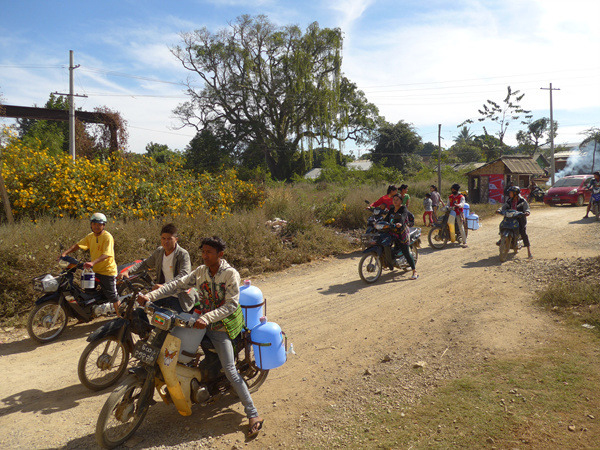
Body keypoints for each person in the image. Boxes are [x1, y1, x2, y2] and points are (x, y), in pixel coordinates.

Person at [137, 236, 264, 438]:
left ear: (220, 254)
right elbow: (177, 284)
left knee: (231, 370)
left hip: (222, 326)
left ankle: (252, 413)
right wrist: (150, 296)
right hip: (201, 321)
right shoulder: (201, 271)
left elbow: (231, 305)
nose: (204, 256)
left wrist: (208, 317)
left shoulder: (230, 274)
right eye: (203, 252)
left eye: (209, 252)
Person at [120, 223, 197, 313]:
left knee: (174, 322)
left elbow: (184, 275)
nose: (166, 241)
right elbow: (145, 264)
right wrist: (128, 271)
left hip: (178, 296)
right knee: (141, 310)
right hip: (161, 293)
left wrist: (164, 286)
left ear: (176, 239)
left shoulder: (182, 254)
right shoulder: (159, 252)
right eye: (163, 238)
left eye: (169, 239)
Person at [61, 212, 119, 314]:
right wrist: (65, 253)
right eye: (94, 224)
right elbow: (78, 245)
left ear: (103, 225)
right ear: (91, 225)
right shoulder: (90, 236)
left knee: (113, 296)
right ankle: (89, 315)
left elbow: (106, 254)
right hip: (94, 271)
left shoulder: (107, 237)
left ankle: (121, 318)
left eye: (99, 224)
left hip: (107, 271)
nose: (96, 226)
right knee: (88, 293)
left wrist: (93, 262)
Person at [385, 195, 418, 280]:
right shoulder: (392, 209)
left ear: (401, 201)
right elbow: (386, 218)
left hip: (402, 232)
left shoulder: (403, 208)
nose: (395, 201)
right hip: (392, 231)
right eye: (394, 199)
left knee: (406, 251)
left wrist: (400, 223)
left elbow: (403, 217)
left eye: (397, 200)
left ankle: (414, 271)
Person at [499, 186, 532, 258]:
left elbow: (527, 208)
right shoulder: (509, 200)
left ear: (515, 193)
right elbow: (504, 207)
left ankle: (529, 251)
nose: (509, 194)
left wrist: (526, 212)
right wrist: (499, 210)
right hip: (510, 217)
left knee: (523, 232)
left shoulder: (522, 201)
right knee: (503, 225)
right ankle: (502, 238)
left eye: (510, 192)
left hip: (520, 218)